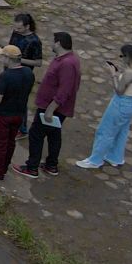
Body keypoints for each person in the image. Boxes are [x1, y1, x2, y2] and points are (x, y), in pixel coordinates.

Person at [14, 32, 81, 179]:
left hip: (52, 108)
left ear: (58, 43)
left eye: (53, 42)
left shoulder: (67, 64)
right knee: (53, 134)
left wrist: (51, 109)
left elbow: (65, 90)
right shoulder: (67, 59)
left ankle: (32, 167)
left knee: (36, 135)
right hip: (54, 107)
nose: (51, 44)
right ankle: (51, 165)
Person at [76, 44, 132, 170]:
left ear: (128, 57)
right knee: (121, 132)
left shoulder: (129, 73)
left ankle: (95, 160)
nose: (121, 59)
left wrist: (114, 75)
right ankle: (115, 157)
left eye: (122, 56)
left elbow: (119, 91)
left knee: (105, 131)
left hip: (121, 103)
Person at [0, 44, 34, 182]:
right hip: (19, 114)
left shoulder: (6, 76)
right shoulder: (28, 73)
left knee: (0, 144)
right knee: (11, 142)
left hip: (4, 115)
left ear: (8, 59)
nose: (1, 59)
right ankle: (4, 166)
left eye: (3, 56)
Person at [9, 13, 43, 138]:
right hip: (10, 70)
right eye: (15, 28)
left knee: (20, 103)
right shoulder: (15, 33)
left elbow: (38, 62)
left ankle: (22, 129)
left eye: (19, 28)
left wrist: (18, 59)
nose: (16, 30)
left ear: (27, 26)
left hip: (23, 75)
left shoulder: (34, 41)